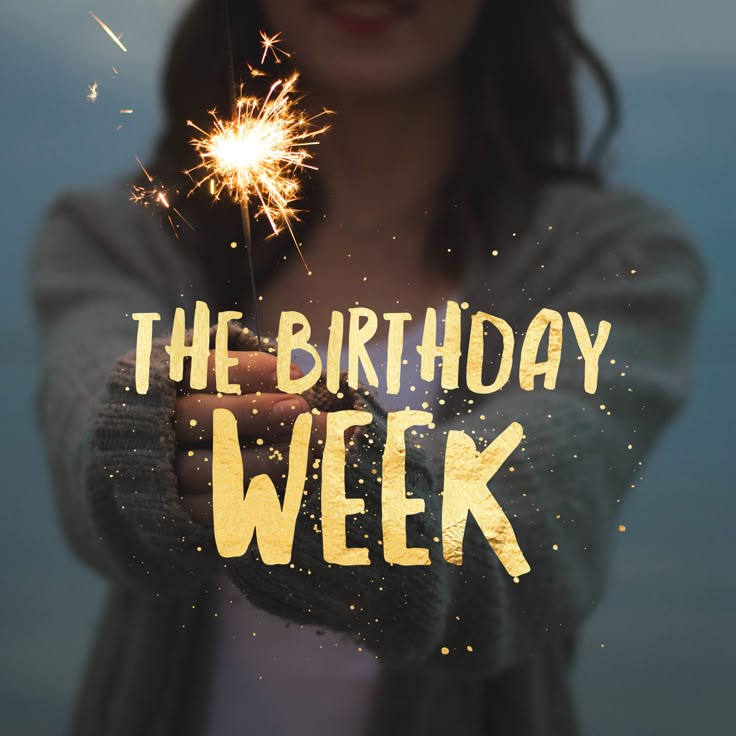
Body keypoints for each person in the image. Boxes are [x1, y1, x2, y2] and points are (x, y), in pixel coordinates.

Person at [30, 1, 707, 734]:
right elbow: (89, 426)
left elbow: (534, 529)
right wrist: (149, 435)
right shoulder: (125, 236)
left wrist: (343, 478)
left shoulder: (611, 259)